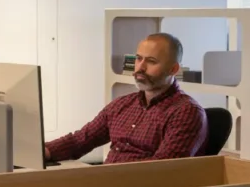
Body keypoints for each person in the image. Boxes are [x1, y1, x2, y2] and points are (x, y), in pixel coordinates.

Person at [45, 33, 207, 165]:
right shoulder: (123, 104)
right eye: (138, 58)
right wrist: (41, 151)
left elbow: (162, 169)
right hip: (106, 185)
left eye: (151, 61)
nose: (140, 68)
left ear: (173, 69)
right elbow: (81, 140)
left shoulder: (186, 112)